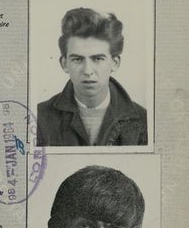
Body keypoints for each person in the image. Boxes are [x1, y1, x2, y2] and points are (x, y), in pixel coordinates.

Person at [37, 8, 148, 146]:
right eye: (77, 59)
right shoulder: (39, 118)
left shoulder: (144, 120)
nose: (88, 71)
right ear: (64, 64)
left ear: (115, 63)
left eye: (98, 59)